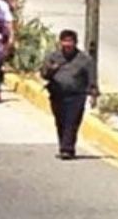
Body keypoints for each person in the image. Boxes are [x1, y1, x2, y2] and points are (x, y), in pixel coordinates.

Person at [41, 30, 99, 160]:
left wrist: (93, 94)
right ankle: (63, 145)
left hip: (76, 96)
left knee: (72, 122)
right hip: (57, 95)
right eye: (65, 41)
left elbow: (92, 78)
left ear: (75, 43)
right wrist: (51, 69)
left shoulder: (85, 59)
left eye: (70, 41)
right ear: (60, 42)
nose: (67, 44)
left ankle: (67, 149)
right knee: (60, 121)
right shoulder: (53, 57)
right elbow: (44, 74)